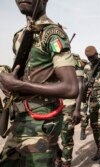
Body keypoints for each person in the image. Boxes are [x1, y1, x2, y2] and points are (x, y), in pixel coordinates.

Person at [0, 0, 78, 166]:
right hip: (20, 120)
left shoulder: (52, 33)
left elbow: (71, 88)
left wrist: (19, 86)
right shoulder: (19, 36)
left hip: (41, 120)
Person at [55, 54, 84, 167]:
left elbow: (80, 84)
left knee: (66, 137)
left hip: (68, 105)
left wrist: (77, 109)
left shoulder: (74, 60)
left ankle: (66, 163)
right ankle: (58, 155)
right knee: (49, 136)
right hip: (51, 105)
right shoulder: (47, 58)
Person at [79, 59, 91, 141]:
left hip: (93, 95)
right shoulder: (82, 75)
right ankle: (83, 130)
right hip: (85, 95)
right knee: (83, 113)